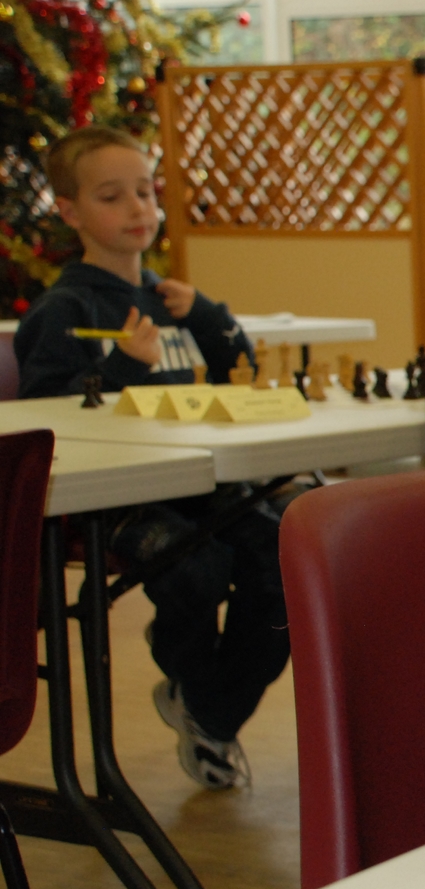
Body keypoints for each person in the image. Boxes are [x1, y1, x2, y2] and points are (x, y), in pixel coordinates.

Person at [15, 126, 281, 791]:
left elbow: (242, 368)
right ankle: (201, 692)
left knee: (284, 551)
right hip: (118, 496)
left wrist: (208, 313)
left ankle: (208, 707)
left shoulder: (170, 300)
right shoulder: (65, 308)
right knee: (194, 565)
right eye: (112, 197)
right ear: (71, 212)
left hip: (196, 477)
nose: (138, 209)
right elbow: (47, 412)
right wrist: (119, 366)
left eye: (146, 192)